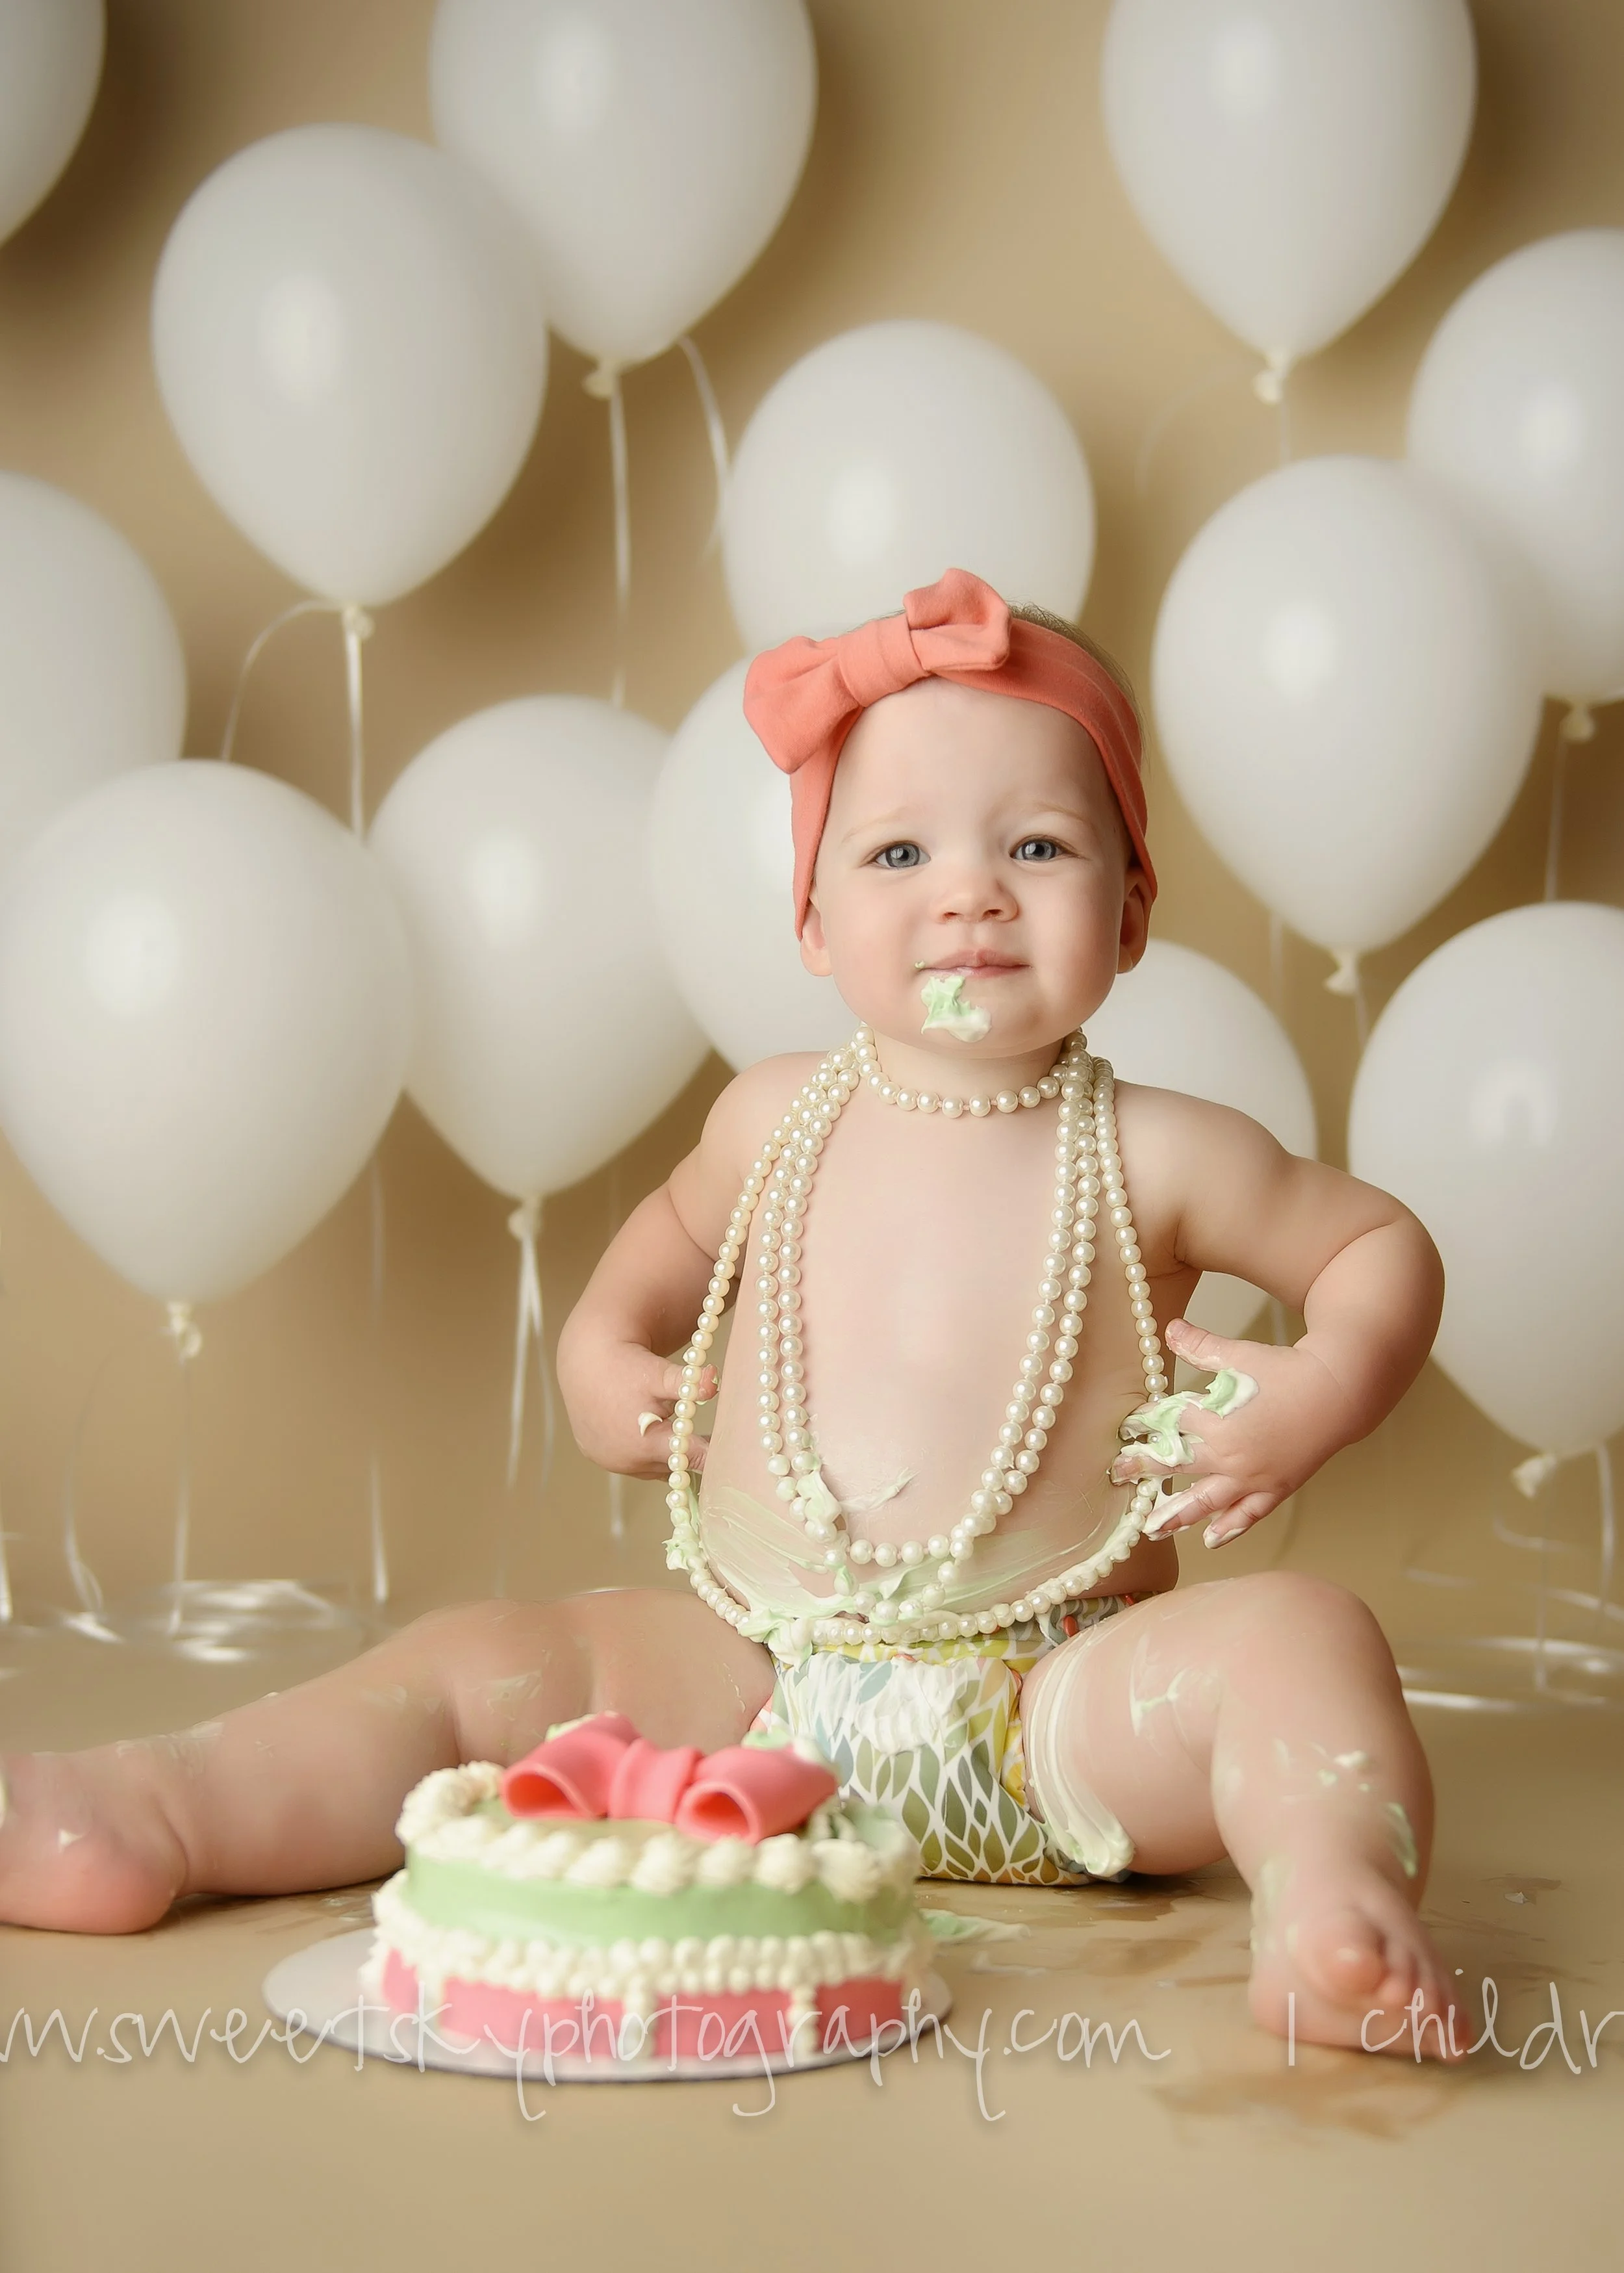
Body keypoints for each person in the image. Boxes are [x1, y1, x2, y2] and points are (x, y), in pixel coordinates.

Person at [0, 569, 1462, 2059]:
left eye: (1035, 845)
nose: (967, 892)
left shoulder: (1164, 1150)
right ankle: (155, 1806)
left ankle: (1331, 1908)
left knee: (1299, 1633)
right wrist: (595, 1355)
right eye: (896, 851)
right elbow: (651, 1259)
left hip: (1056, 1714)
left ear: (1132, 907)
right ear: (811, 920)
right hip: (759, 1695)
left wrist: (1320, 1383)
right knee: (480, 1664)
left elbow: (1376, 1247)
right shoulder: (772, 1120)